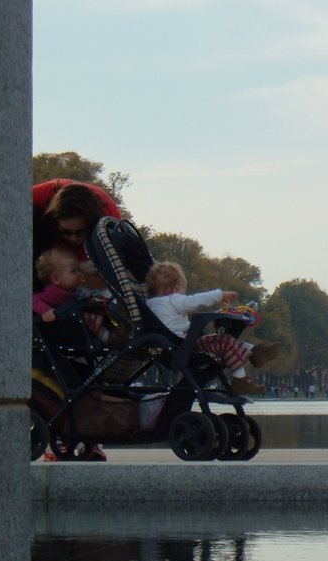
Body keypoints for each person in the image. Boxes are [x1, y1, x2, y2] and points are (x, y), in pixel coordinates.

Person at [33, 180, 123, 462]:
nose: (73, 239)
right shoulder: (36, 205)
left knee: (84, 360)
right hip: (50, 280)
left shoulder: (108, 219)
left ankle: (87, 437)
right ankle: (63, 433)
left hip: (82, 284)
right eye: (66, 233)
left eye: (79, 232)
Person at [144, 261, 281, 396]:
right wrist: (220, 294)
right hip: (186, 347)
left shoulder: (149, 306)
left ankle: (255, 353)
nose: (182, 296)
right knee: (225, 342)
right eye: (182, 291)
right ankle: (241, 380)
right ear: (173, 290)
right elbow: (195, 301)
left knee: (223, 341)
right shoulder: (171, 300)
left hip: (174, 347)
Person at [32, 248, 85, 322]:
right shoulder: (52, 293)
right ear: (56, 279)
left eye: (79, 269)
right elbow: (33, 300)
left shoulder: (77, 289)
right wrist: (45, 310)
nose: (79, 274)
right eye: (73, 271)